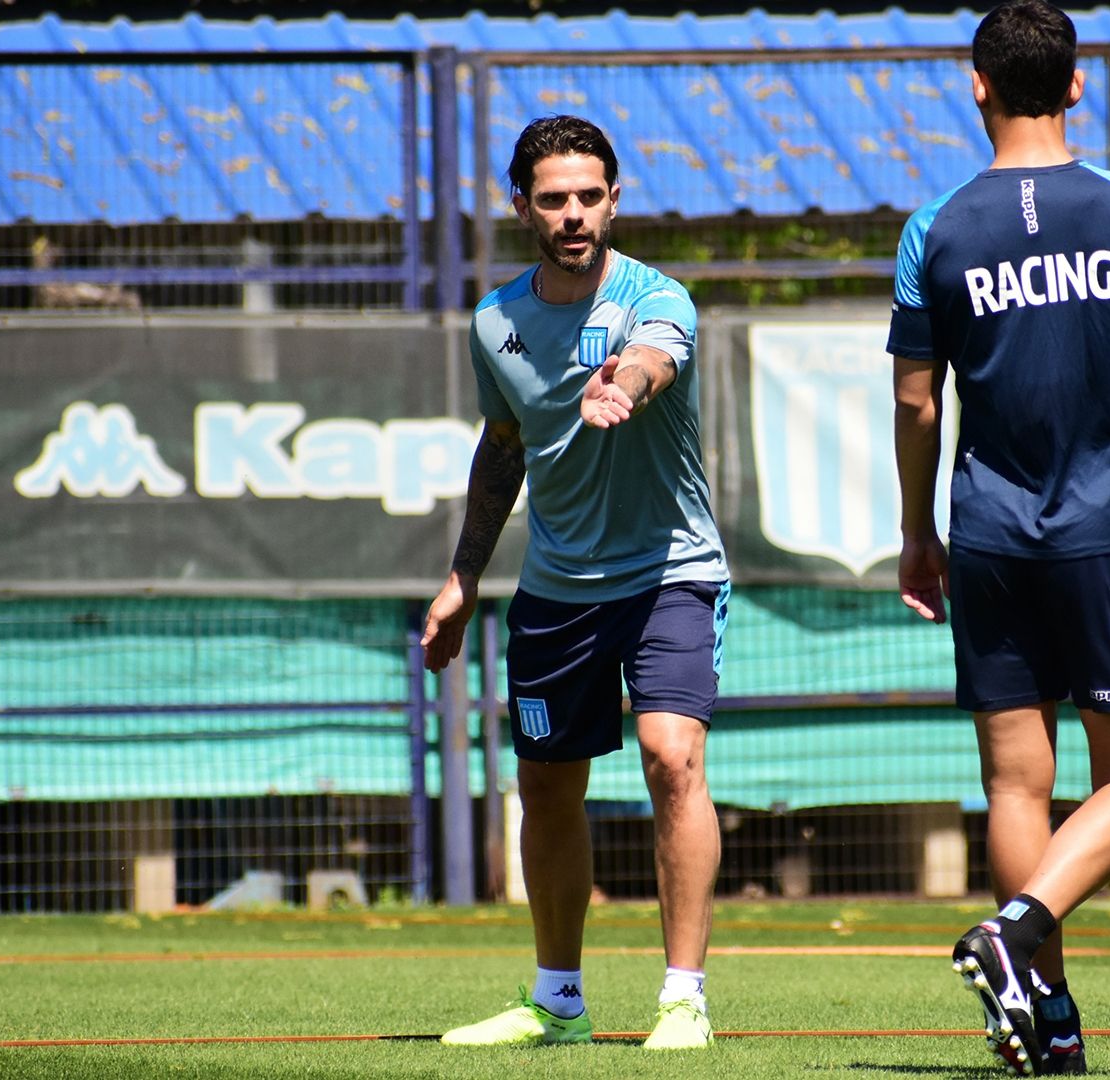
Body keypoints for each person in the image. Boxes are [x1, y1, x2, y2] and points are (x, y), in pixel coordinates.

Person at [886, 2, 1110, 1074]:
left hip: (985, 534)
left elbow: (915, 400)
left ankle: (1049, 1015)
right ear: (1078, 85)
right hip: (1108, 535)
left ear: (974, 84)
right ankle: (1018, 935)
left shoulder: (933, 226)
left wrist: (916, 530)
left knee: (1017, 786)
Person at [421, 114, 729, 1051]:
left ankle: (683, 1001)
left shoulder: (656, 297)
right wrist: (463, 577)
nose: (573, 215)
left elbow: (656, 356)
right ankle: (557, 1002)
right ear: (523, 207)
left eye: (589, 197)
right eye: (552, 199)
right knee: (548, 787)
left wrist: (622, 386)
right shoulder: (495, 323)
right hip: (556, 588)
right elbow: (503, 447)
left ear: (614, 199)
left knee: (673, 756)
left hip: (669, 570)